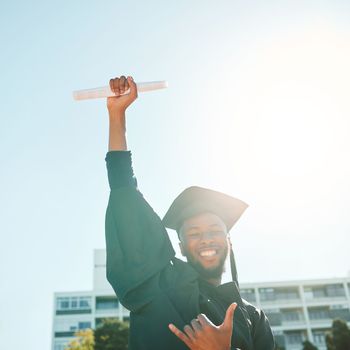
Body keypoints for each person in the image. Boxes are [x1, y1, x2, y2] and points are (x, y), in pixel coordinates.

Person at [104, 75, 275, 350]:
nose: (206, 239)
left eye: (214, 231)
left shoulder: (253, 318)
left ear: (229, 242)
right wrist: (117, 117)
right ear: (181, 247)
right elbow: (126, 199)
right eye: (194, 234)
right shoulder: (160, 286)